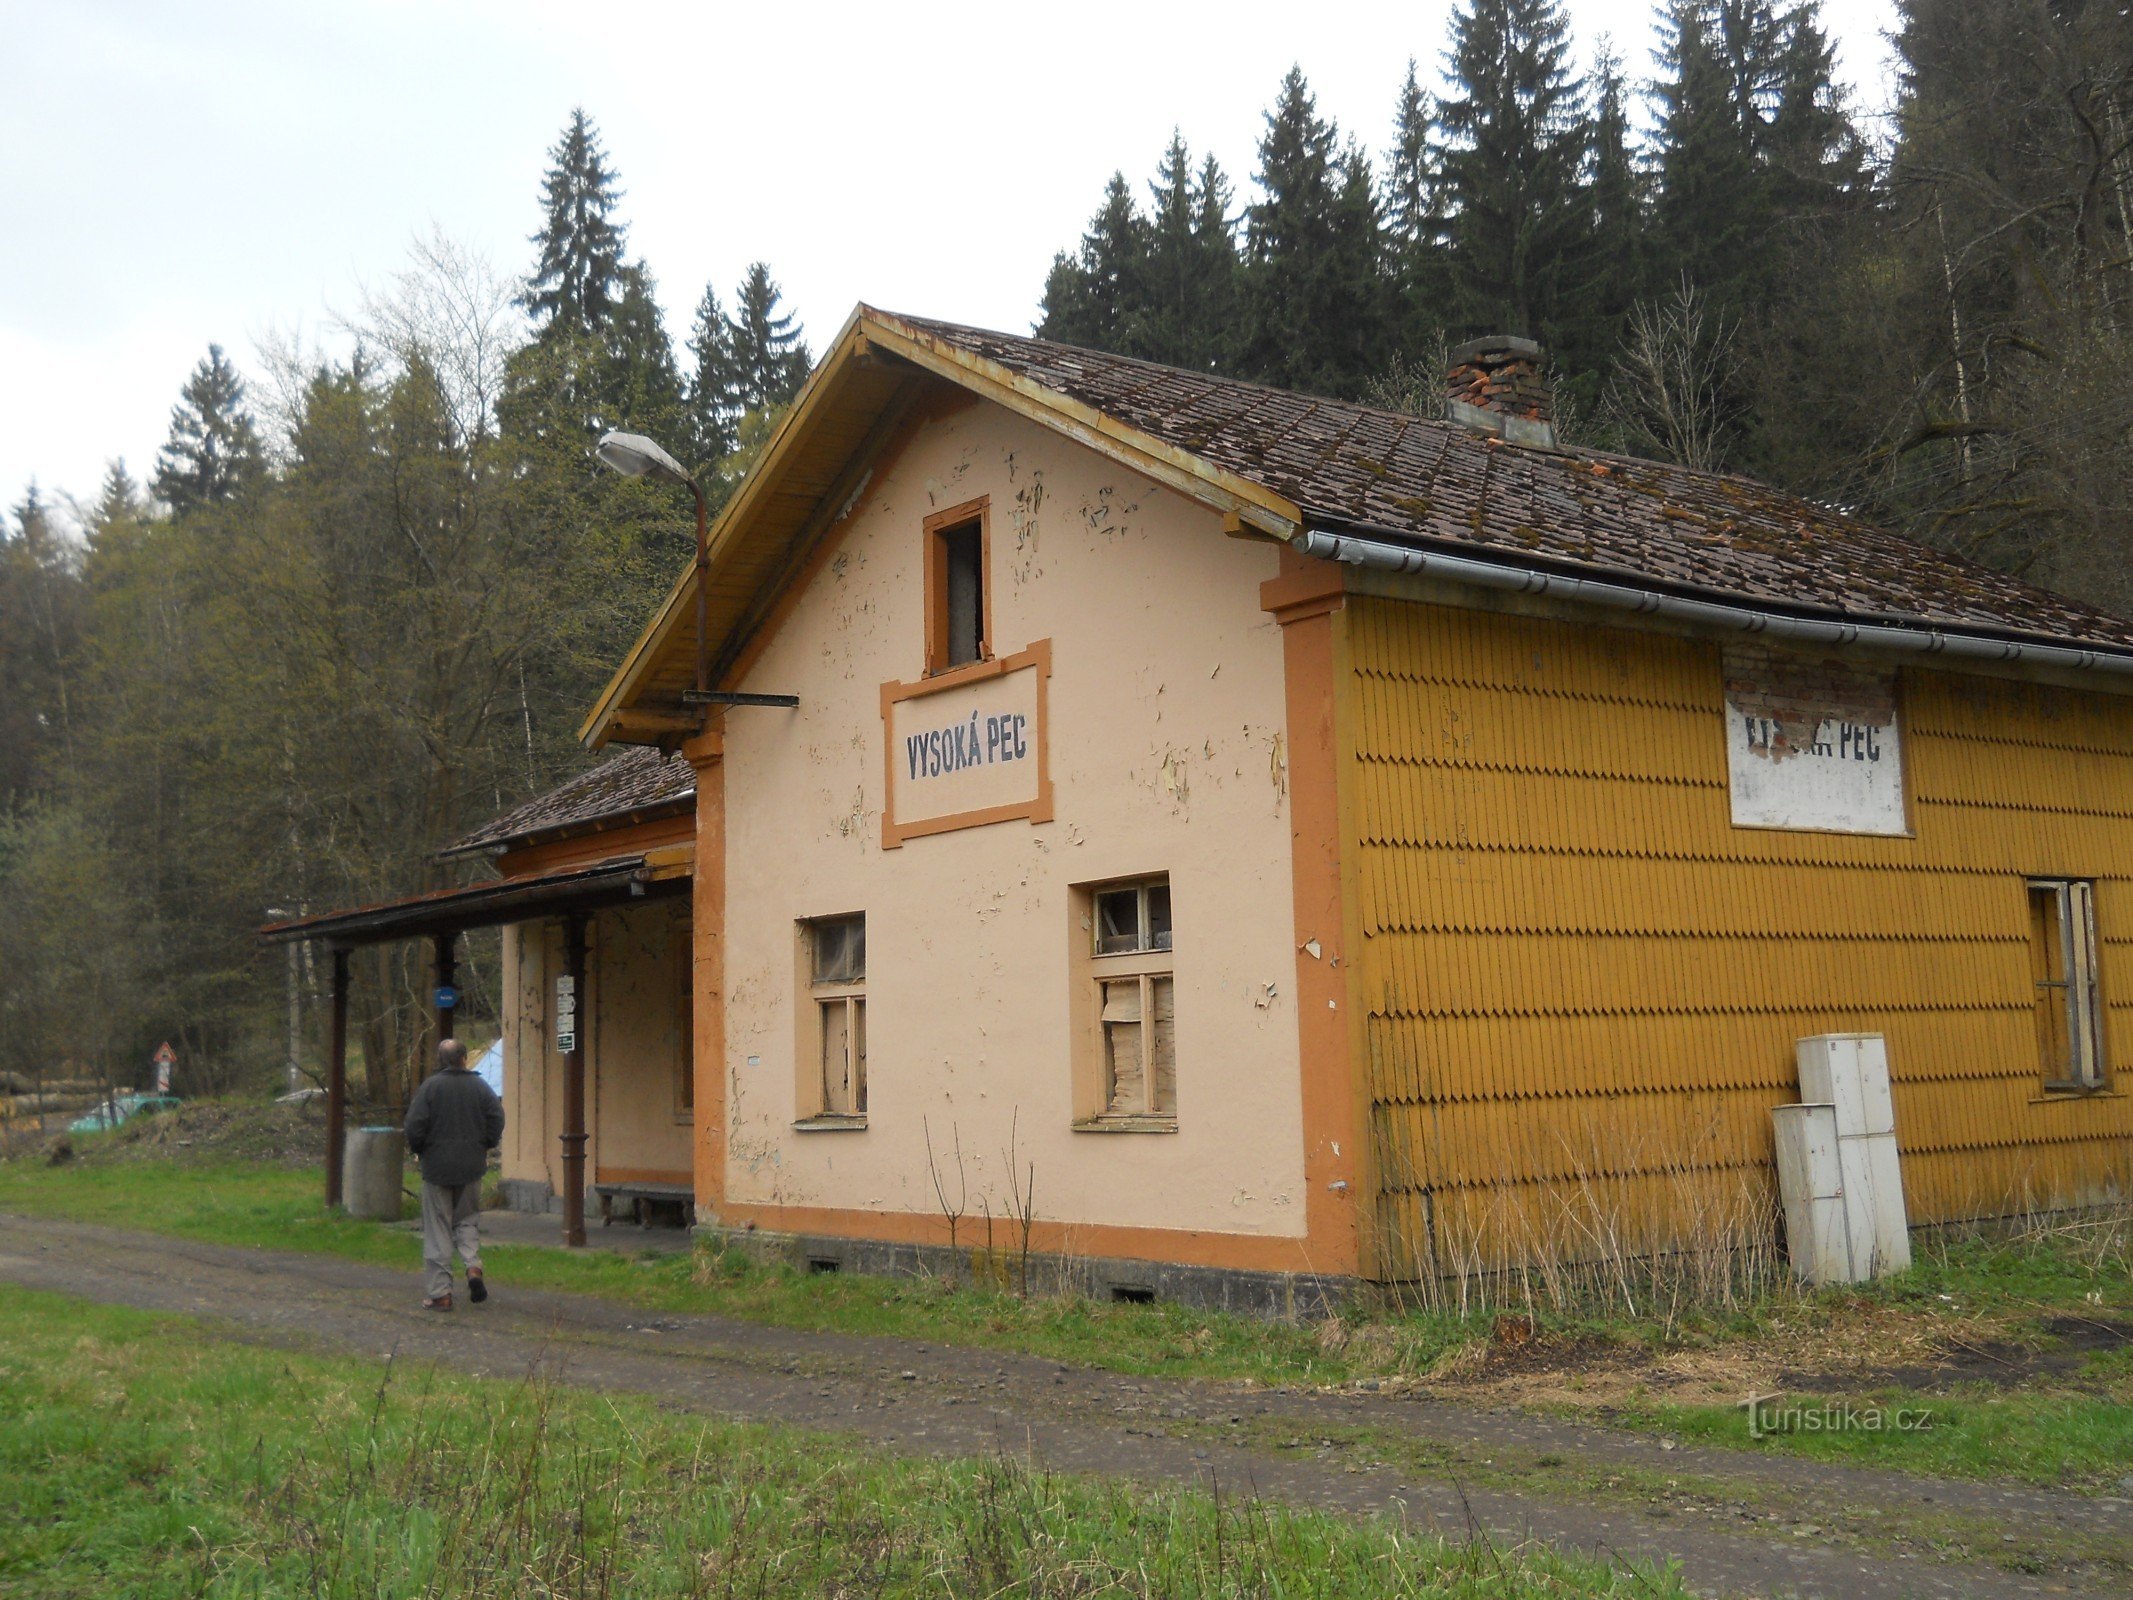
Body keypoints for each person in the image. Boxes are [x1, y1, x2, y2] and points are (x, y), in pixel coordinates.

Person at [403, 1037, 505, 1311]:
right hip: (471, 1166)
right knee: (467, 1220)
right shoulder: (480, 1087)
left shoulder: (430, 1088)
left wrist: (420, 1149)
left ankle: (441, 1294)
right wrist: (485, 1143)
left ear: (440, 1061)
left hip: (437, 1168)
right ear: (464, 1059)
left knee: (438, 1228)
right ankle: (473, 1267)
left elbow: (414, 1125)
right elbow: (497, 1118)